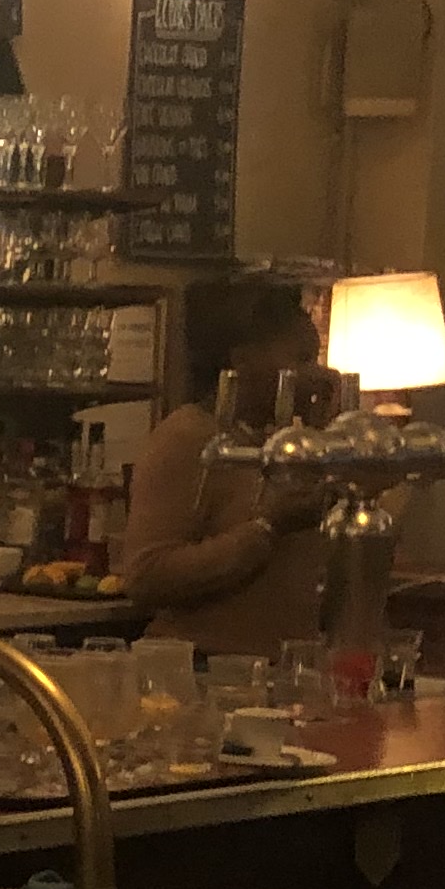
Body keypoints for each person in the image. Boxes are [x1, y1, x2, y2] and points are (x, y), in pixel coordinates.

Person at [119, 272, 331, 655]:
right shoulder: (189, 436)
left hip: (285, 670)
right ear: (243, 360)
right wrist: (267, 528)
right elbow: (146, 575)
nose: (319, 375)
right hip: (201, 666)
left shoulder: (286, 443)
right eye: (302, 359)